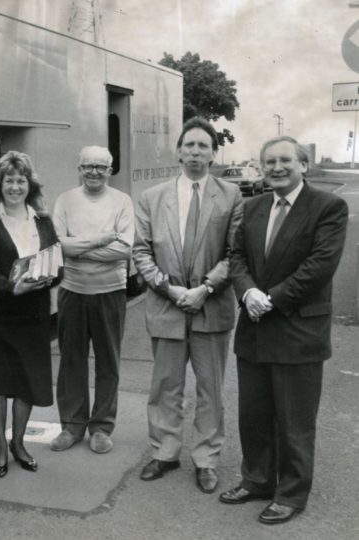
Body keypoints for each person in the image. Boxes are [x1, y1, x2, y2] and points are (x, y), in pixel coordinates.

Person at [220, 136, 348, 524]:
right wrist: (247, 293)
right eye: (269, 162)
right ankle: (257, 479)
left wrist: (269, 298)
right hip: (255, 328)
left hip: (297, 331)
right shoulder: (253, 205)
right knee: (254, 415)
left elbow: (319, 266)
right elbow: (236, 257)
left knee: (294, 421)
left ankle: (291, 494)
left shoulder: (328, 207)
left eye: (285, 161)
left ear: (303, 165)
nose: (276, 168)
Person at [133, 117, 243, 493]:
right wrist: (170, 290)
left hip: (211, 308)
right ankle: (165, 453)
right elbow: (141, 251)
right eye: (190, 145)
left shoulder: (230, 195)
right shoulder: (152, 197)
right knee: (165, 387)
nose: (196, 152)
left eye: (203, 146)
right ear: (178, 151)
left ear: (214, 153)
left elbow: (235, 253)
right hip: (167, 307)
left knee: (211, 389)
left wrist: (206, 289)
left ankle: (206, 460)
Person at [0, 151, 60, 477]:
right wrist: (11, 288)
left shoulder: (42, 220)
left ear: (29, 184)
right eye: (10, 180)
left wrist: (50, 275)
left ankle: (19, 442)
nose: (15, 186)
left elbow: (57, 263)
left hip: (34, 314)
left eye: (21, 180)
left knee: (26, 381)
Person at [50, 145, 134, 455]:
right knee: (71, 360)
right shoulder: (66, 200)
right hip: (72, 291)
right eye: (88, 166)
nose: (94, 172)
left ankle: (101, 427)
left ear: (110, 170)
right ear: (79, 168)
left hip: (110, 291)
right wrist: (101, 240)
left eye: (101, 166)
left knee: (108, 361)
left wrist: (78, 249)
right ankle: (72, 426)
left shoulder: (122, 202)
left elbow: (124, 249)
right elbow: (57, 246)